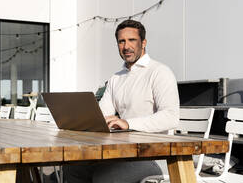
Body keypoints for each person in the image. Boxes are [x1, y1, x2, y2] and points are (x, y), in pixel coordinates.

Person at [63, 19, 180, 183]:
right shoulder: (116, 78)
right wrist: (82, 120)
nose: (126, 46)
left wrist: (128, 123)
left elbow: (171, 117)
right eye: (121, 41)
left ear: (143, 42)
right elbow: (102, 114)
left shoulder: (160, 72)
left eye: (132, 40)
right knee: (73, 168)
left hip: (153, 156)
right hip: (122, 152)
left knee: (103, 177)